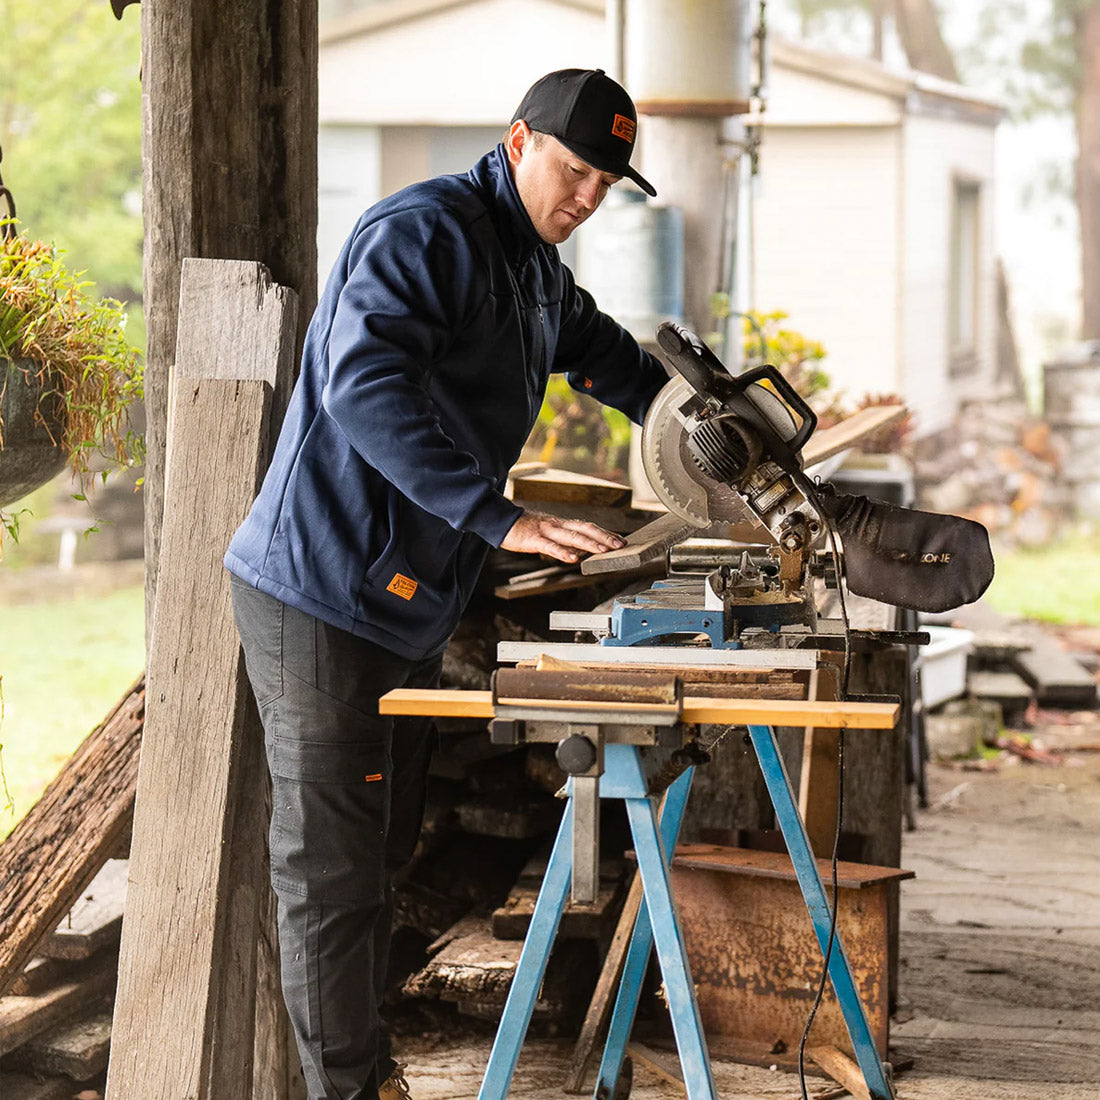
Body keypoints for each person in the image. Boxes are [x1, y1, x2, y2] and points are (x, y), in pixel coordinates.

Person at [225, 68, 669, 1100]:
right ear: (517, 142)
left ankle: (360, 1071)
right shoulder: (422, 234)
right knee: (330, 871)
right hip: (321, 589)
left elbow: (609, 361)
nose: (588, 197)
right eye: (574, 169)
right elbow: (362, 386)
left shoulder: (534, 268)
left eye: (607, 182)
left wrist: (694, 411)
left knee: (376, 851)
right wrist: (501, 517)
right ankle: (351, 1087)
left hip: (404, 595)